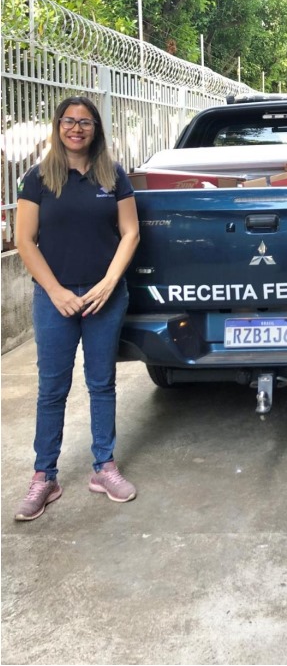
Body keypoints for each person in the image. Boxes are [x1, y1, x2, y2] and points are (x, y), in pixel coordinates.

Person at [14, 96, 140, 521]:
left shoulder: (113, 175)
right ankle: (43, 477)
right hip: (55, 300)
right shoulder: (38, 178)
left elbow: (131, 233)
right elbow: (25, 241)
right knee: (52, 389)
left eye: (85, 122)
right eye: (69, 121)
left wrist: (109, 282)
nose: (76, 128)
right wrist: (55, 291)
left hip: (104, 297)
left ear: (95, 129)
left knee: (101, 383)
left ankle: (104, 467)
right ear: (58, 126)